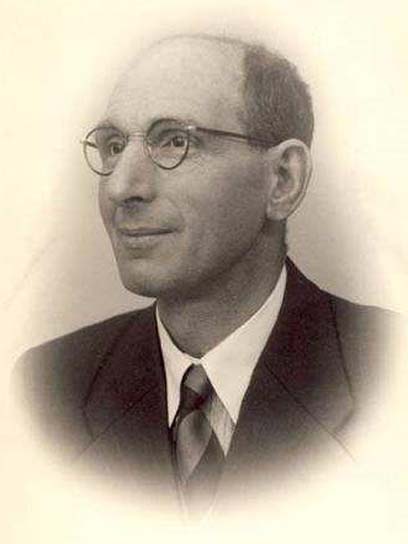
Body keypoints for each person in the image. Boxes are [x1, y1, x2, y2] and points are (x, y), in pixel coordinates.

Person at [16, 34, 395, 517]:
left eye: (176, 141)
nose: (121, 188)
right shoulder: (48, 385)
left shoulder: (388, 370)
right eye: (113, 146)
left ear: (283, 180)